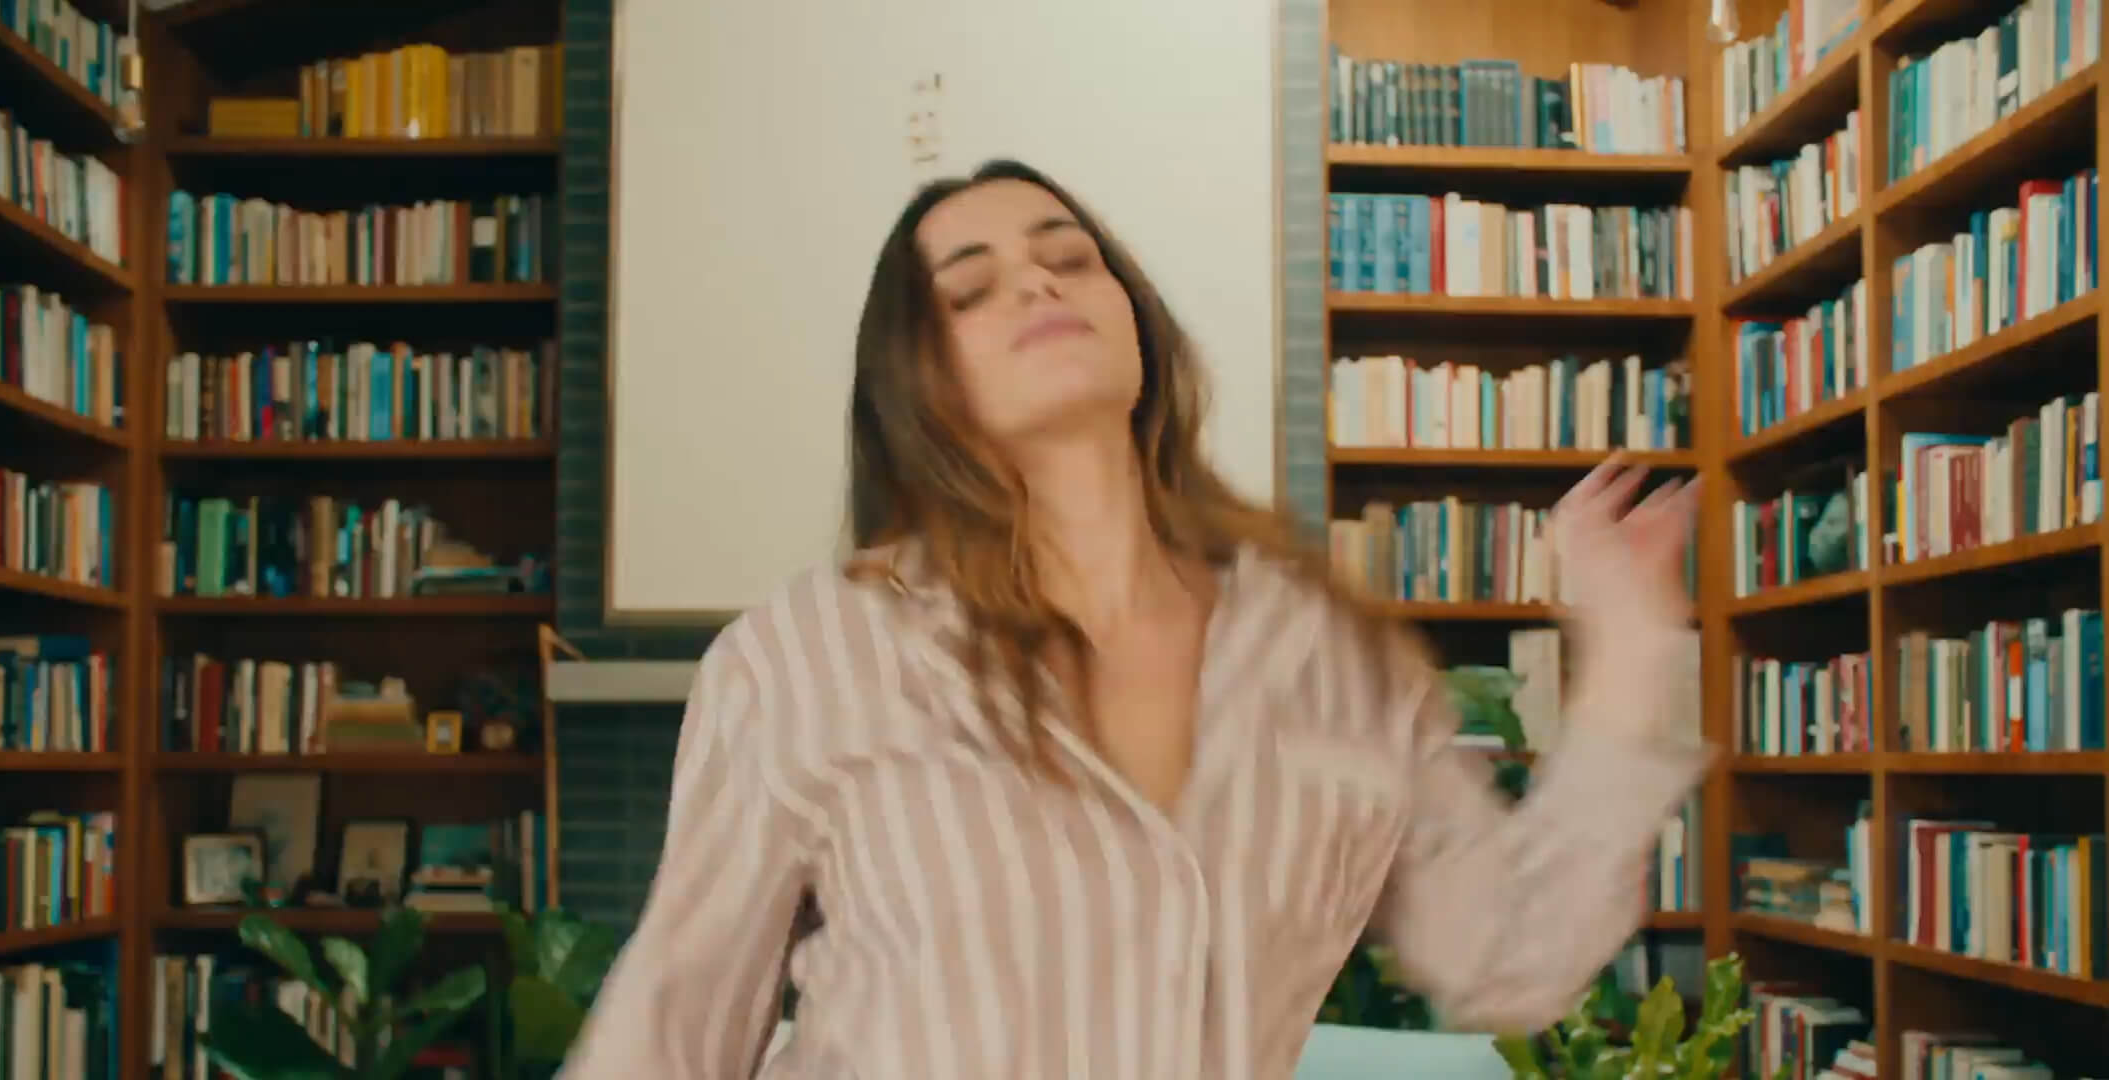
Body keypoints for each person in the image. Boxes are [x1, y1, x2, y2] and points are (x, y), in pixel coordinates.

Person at [562, 159, 1709, 1079]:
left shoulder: (1324, 658)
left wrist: (1630, 647)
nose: (1036, 284)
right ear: (917, 382)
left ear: (1135, 322)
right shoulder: (807, 655)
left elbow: (1509, 956)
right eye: (968, 288)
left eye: (1069, 258)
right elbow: (672, 1028)